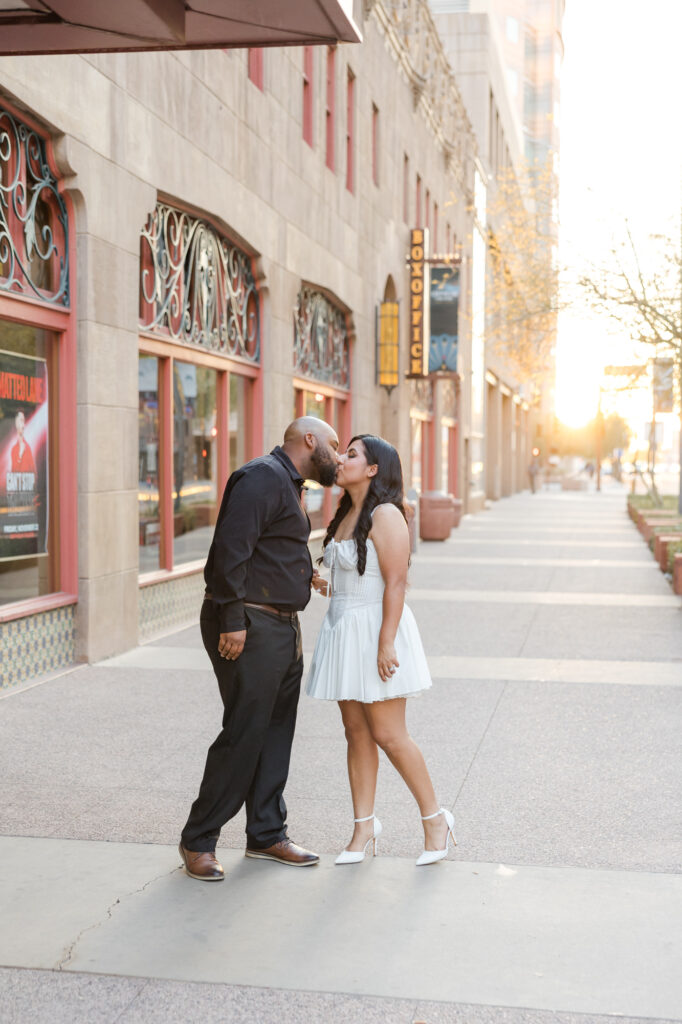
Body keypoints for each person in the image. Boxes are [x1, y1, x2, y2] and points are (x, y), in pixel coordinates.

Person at [179, 416, 340, 881]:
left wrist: (299, 573)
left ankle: (267, 833)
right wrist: (232, 619)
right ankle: (199, 839)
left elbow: (264, 549)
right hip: (248, 624)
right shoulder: (261, 477)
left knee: (275, 733)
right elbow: (230, 551)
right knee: (245, 732)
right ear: (309, 440)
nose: (337, 452)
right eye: (332, 443)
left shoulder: (291, 485)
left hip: (282, 628)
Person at [305, 435, 456, 866]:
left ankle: (436, 820)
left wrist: (386, 641)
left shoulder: (386, 513)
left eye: (351, 454)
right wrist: (325, 585)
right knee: (356, 732)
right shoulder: (347, 513)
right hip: (343, 629)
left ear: (373, 469)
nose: (341, 459)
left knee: (389, 734)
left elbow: (395, 582)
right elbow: (357, 578)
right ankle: (364, 827)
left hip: (376, 629)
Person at [10, 410, 36, 475]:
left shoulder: (28, 447)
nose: (23, 424)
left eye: (24, 421)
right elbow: (13, 474)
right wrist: (20, 455)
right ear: (16, 423)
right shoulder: (14, 449)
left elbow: (34, 472)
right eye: (21, 420)